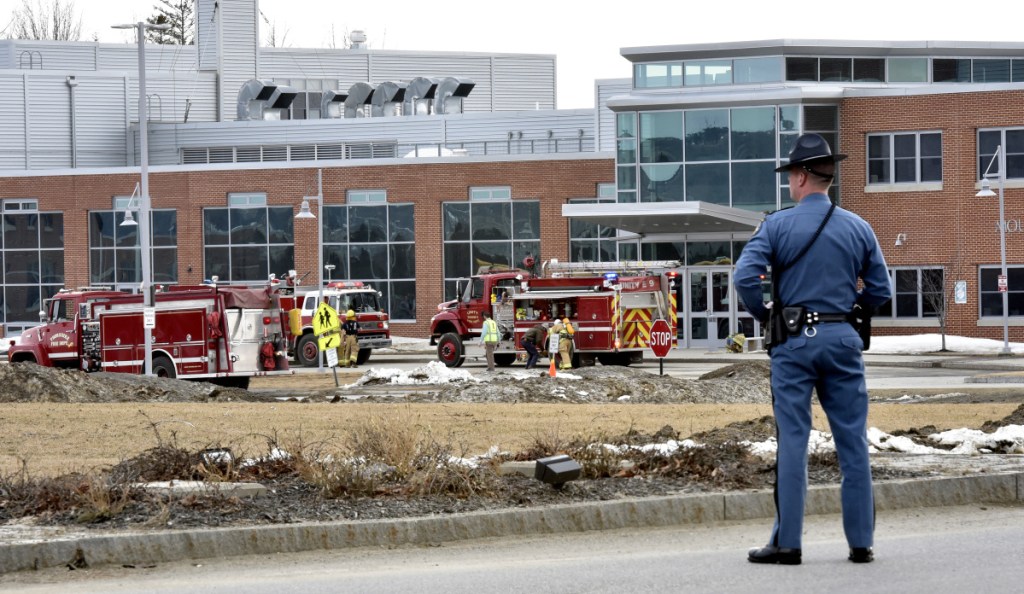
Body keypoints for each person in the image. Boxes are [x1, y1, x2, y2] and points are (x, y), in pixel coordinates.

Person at [733, 133, 891, 566]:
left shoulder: (777, 225)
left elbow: (745, 279)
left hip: (794, 341)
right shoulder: (858, 226)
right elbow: (881, 289)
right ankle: (861, 543)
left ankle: (788, 543)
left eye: (791, 176)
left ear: (802, 176)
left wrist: (766, 317)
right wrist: (849, 309)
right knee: (852, 442)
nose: (790, 183)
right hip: (842, 340)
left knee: (794, 440)